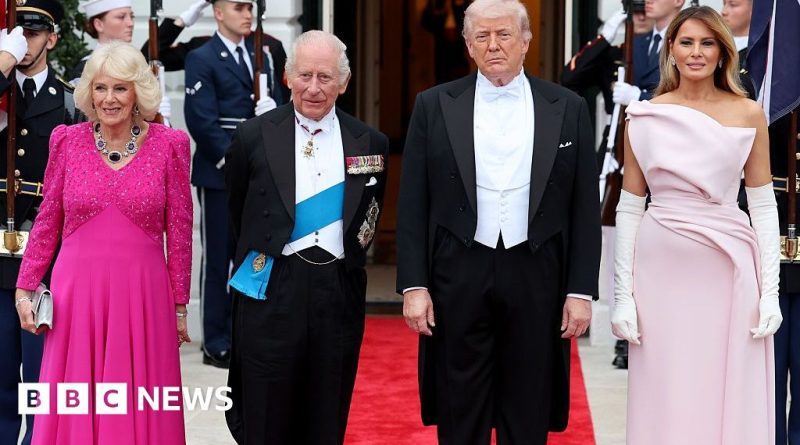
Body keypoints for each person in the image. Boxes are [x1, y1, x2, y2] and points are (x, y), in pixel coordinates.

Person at [397, 0, 601, 442]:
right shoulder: (433, 105)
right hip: (458, 269)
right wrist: (415, 286)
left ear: (525, 41)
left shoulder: (567, 106)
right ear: (468, 45)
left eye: (504, 34)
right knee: (459, 401)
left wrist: (580, 290)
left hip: (537, 269)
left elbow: (584, 206)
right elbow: (413, 202)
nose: (494, 45)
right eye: (482, 37)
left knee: (529, 403)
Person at [612, 6, 780, 444]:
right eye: (686, 42)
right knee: (667, 392)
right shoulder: (644, 115)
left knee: (725, 388)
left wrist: (770, 293)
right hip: (660, 275)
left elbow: (763, 206)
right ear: (671, 49)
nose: (696, 53)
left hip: (730, 273)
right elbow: (630, 207)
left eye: (707, 43)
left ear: (724, 52)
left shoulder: (748, 114)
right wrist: (622, 297)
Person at [13, 41, 192, 444]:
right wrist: (26, 288)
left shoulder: (170, 145)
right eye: (100, 88)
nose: (109, 99)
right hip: (76, 295)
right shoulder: (67, 141)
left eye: (120, 88)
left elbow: (180, 231)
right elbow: (47, 222)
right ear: (89, 92)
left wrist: (179, 304)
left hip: (143, 295)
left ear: (138, 93)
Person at [224, 29, 389, 444]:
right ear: (287, 77)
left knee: (327, 410)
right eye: (305, 75)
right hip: (271, 287)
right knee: (263, 411)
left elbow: (368, 214)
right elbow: (236, 213)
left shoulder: (370, 142)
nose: (314, 88)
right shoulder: (252, 136)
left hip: (336, 289)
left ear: (344, 83)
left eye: (326, 77)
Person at [184, 0, 285, 369]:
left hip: (260, 173)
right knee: (219, 258)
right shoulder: (203, 57)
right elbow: (202, 122)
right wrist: (240, 164)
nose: (247, 14)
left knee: (254, 254)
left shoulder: (264, 55)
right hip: (222, 175)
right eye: (239, 7)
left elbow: (279, 108)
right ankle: (216, 340)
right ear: (219, 12)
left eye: (250, 8)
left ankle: (247, 332)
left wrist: (271, 116)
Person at [0, 2, 83, 444]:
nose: (24, 41)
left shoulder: (71, 102)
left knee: (42, 381)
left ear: (51, 38)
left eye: (33, 34)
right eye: (17, 33)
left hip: (46, 261)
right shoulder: (1, 89)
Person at [612, 0, 685, 106]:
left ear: (678, 1)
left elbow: (686, 100)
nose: (648, 1)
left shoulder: (687, 44)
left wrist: (639, 97)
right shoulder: (635, 42)